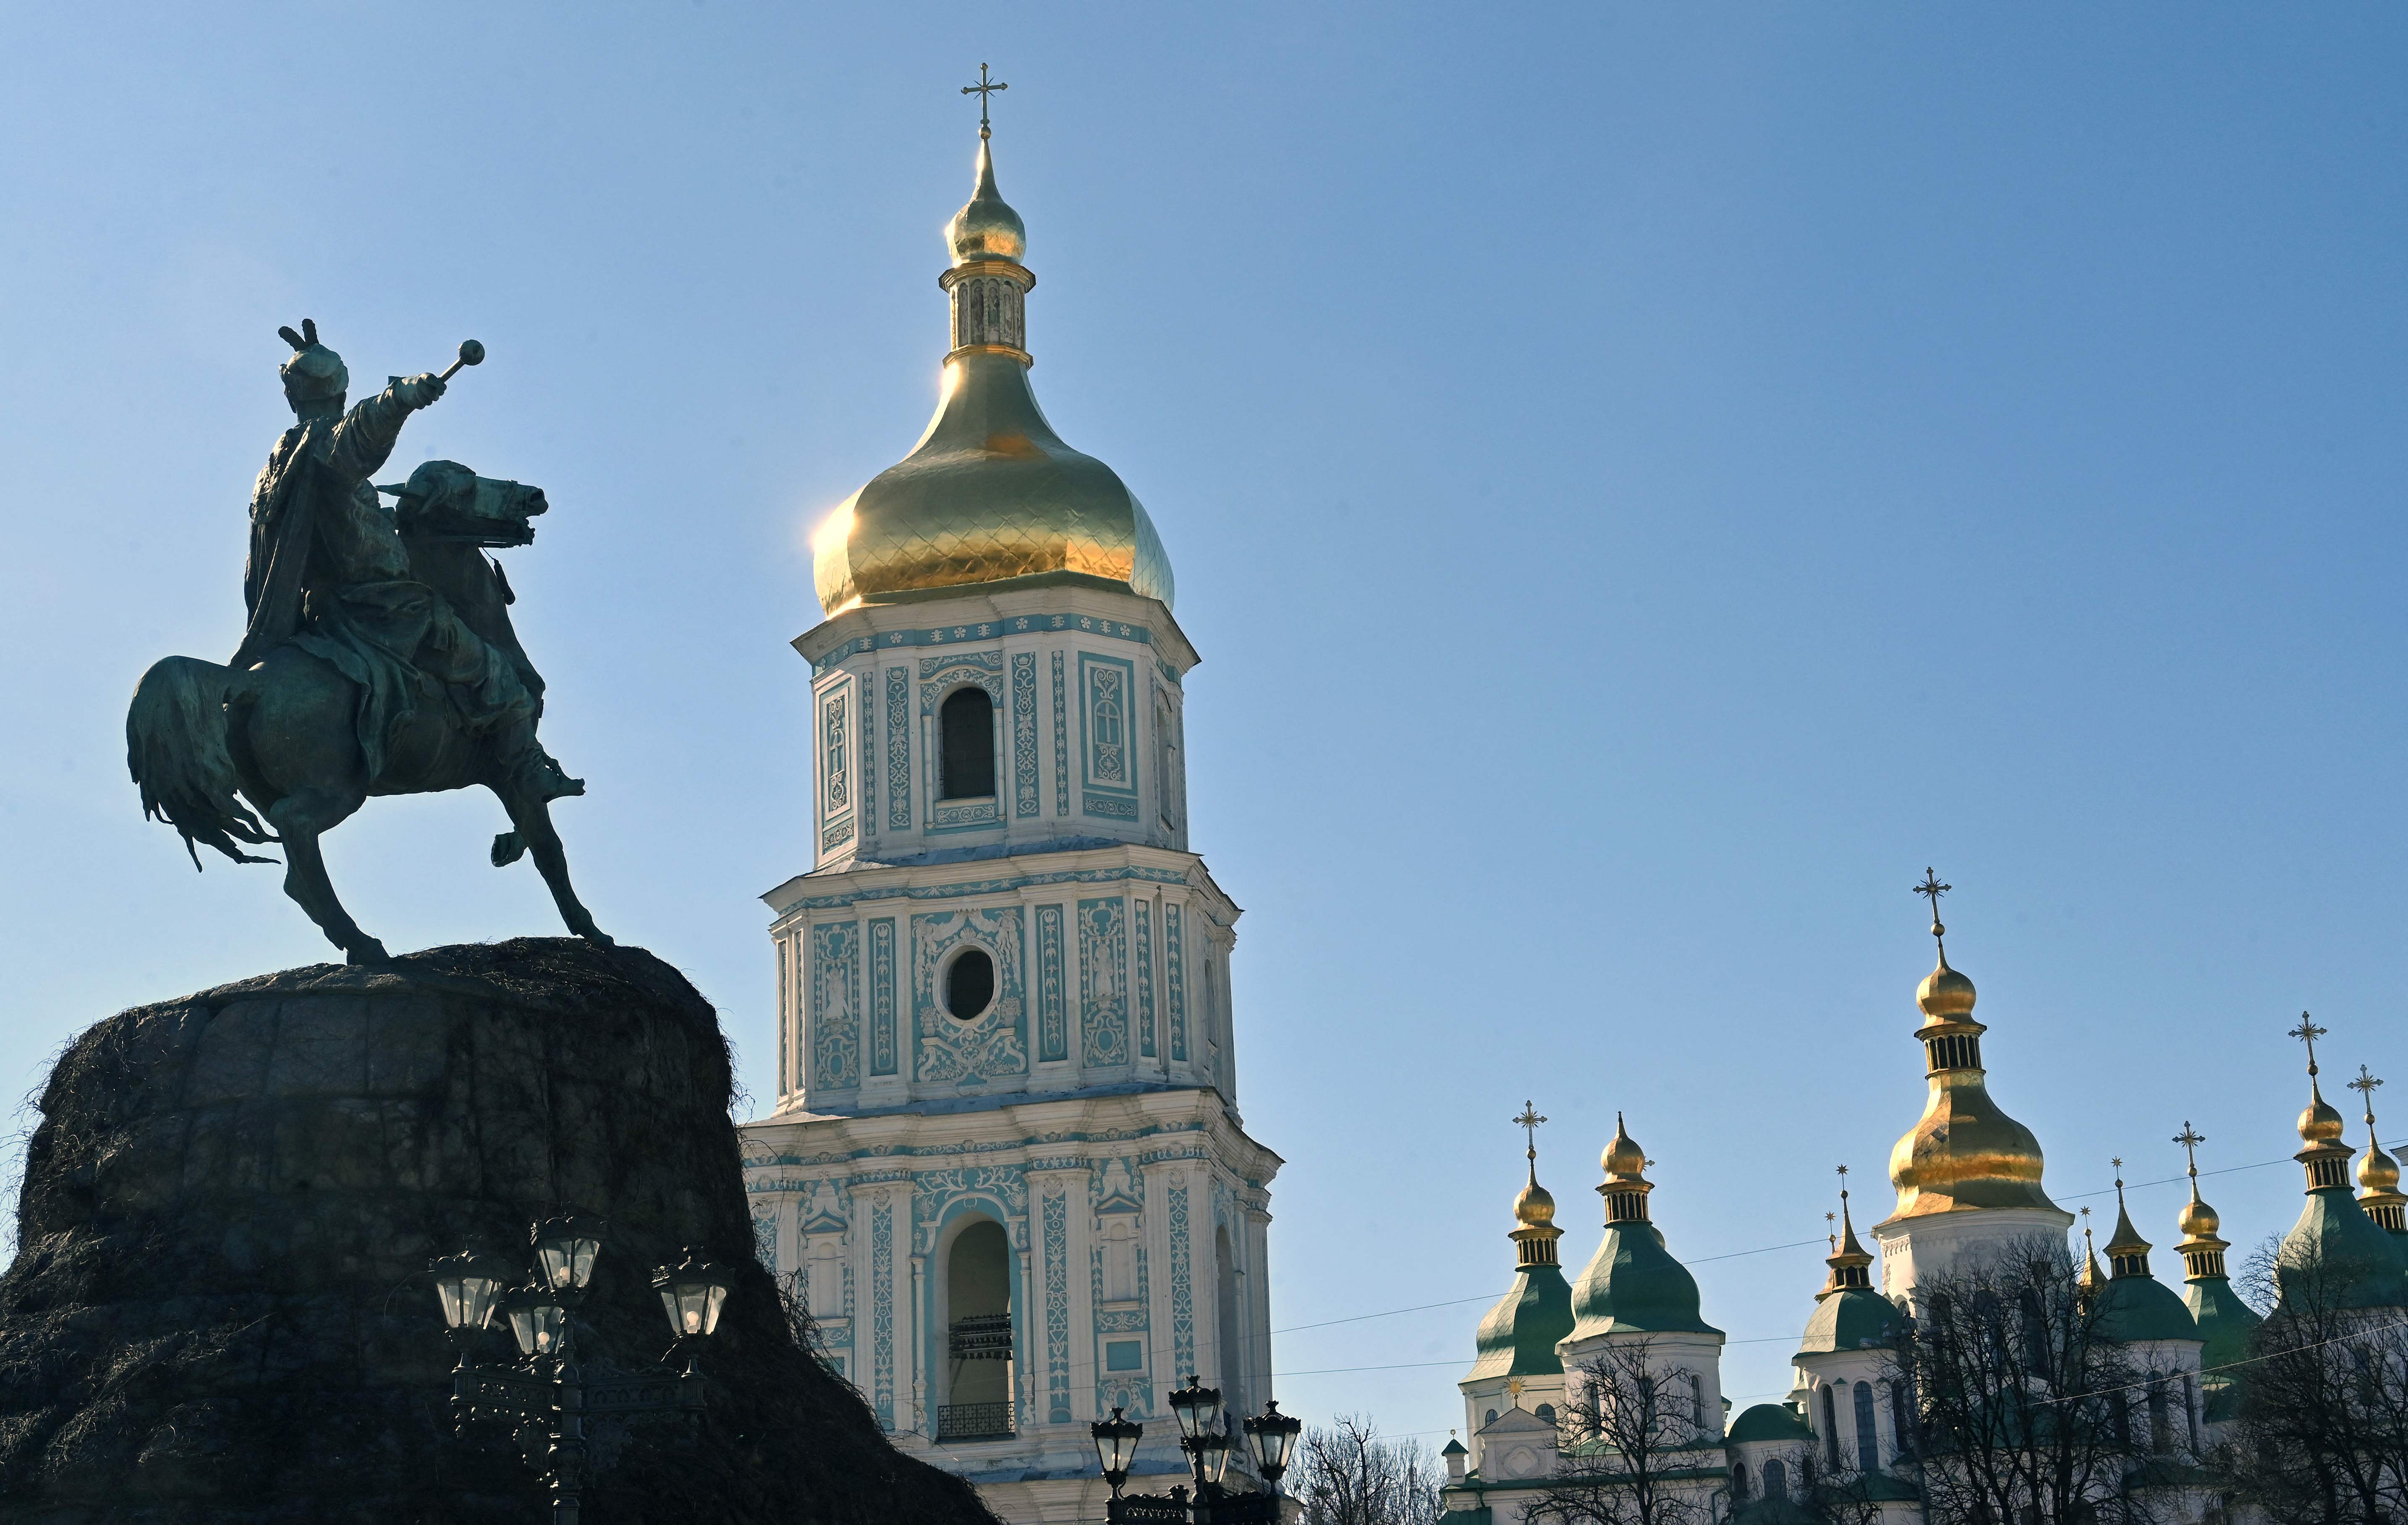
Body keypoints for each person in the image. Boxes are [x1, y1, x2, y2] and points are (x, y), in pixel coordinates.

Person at [233, 320, 578, 797]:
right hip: (388, 610)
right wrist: (401, 398)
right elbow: (358, 433)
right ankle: (527, 770)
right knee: (498, 676)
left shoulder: (277, 462)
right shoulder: (324, 444)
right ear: (341, 393)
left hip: (320, 613)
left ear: (292, 397)